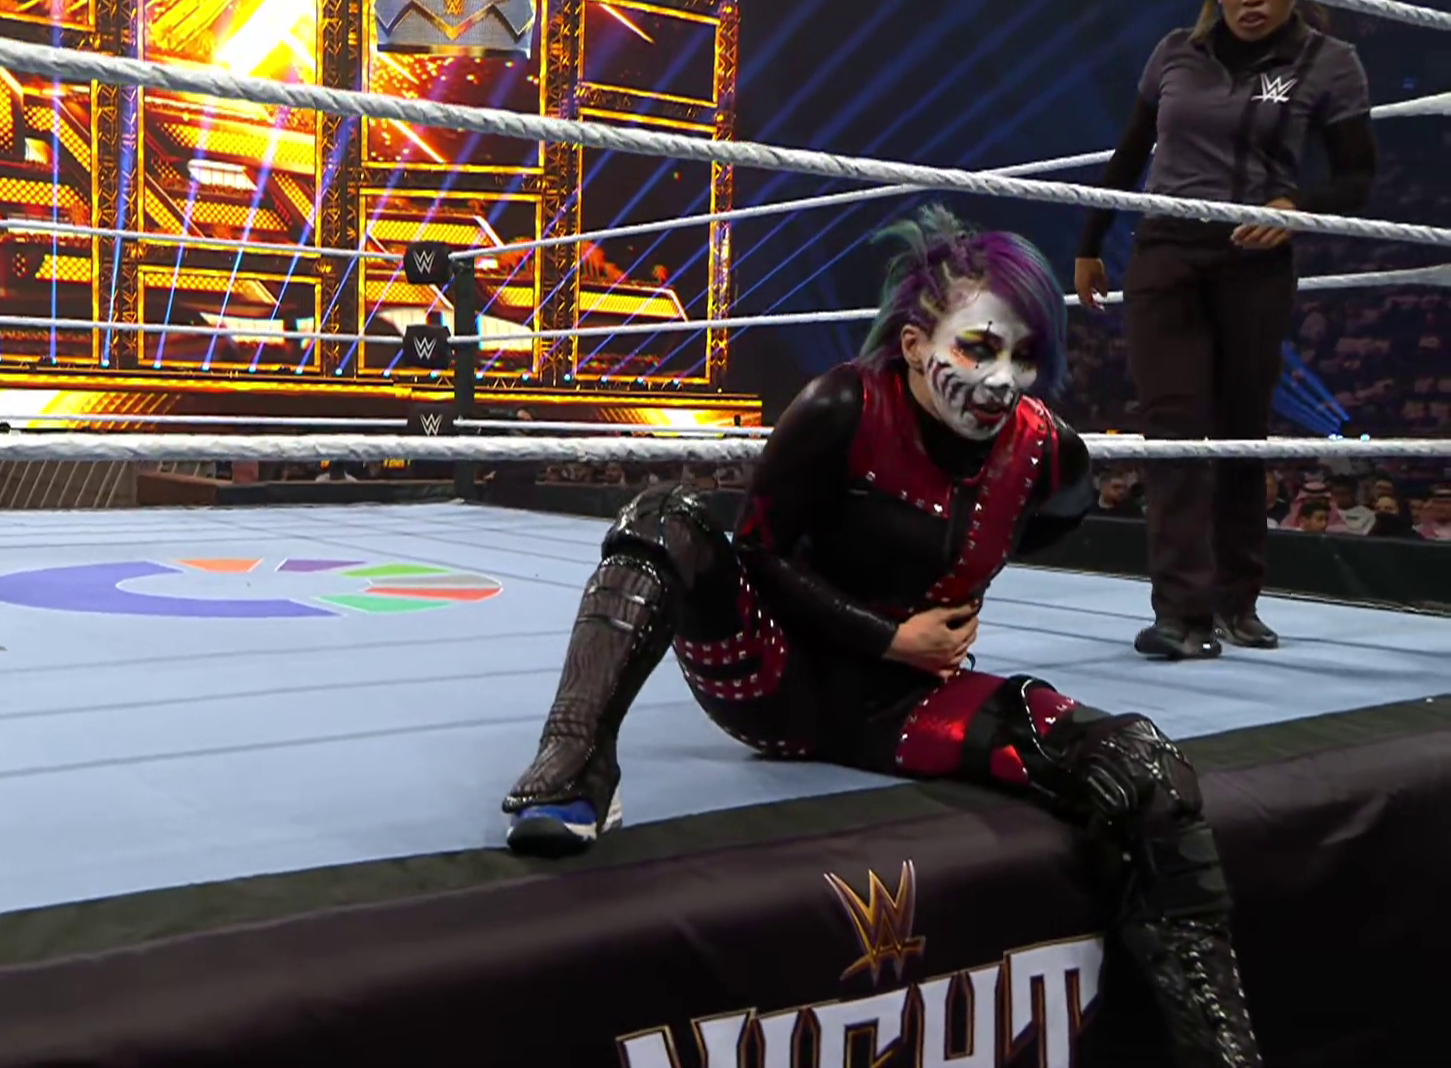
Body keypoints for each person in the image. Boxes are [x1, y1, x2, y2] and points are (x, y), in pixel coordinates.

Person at [502, 207, 1262, 1066]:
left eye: (1024, 357)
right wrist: (891, 634)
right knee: (662, 519)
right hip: (775, 680)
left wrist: (924, 632)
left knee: (1143, 765)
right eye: (979, 348)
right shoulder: (841, 406)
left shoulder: (1048, 455)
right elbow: (759, 553)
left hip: (911, 708)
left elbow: (1046, 523)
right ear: (913, 344)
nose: (1003, 381)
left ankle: (1221, 1052)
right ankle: (574, 767)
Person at [1074, 0, 1375, 660]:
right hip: (1166, 249)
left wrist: (1294, 208)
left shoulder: (1328, 61)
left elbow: (1357, 176)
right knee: (1173, 429)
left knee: (1241, 430)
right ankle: (1182, 614)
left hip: (1255, 256)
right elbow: (1131, 151)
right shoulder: (1175, 52)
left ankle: (1238, 600)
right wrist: (1090, 241)